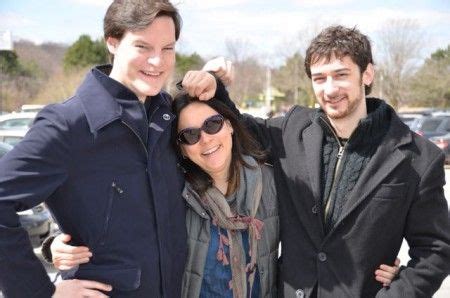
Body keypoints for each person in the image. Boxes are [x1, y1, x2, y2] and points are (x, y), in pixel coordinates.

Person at [0, 1, 222, 297]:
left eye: (167, 48)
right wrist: (41, 292)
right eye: (143, 47)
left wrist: (217, 88)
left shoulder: (168, 115)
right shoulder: (68, 124)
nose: (157, 61)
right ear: (113, 43)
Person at [212, 26, 450, 297]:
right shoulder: (291, 131)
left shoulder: (417, 158)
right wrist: (214, 84)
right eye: (319, 78)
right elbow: (237, 129)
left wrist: (398, 290)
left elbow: (436, 251)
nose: (329, 89)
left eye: (341, 75)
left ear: (367, 74)